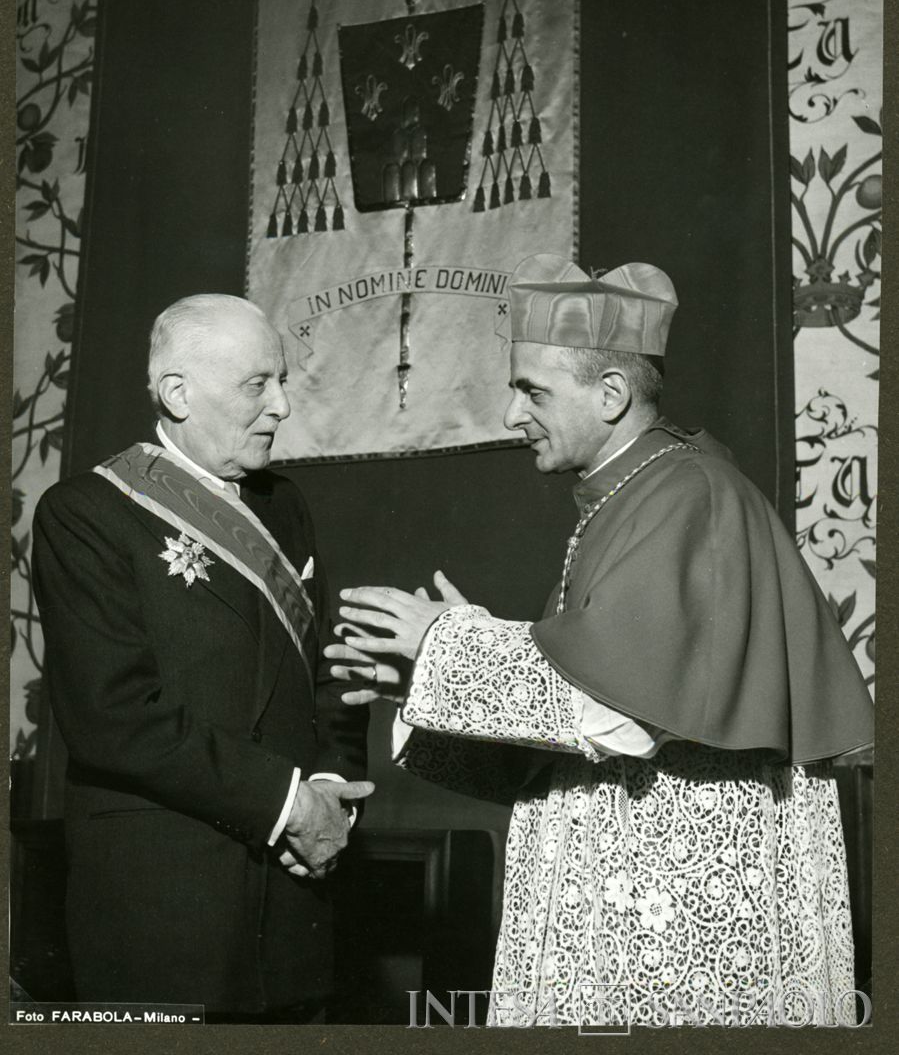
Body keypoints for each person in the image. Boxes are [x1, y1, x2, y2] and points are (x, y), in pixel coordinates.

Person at [327, 258, 874, 1028]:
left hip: (672, 914)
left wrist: (448, 645)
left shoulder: (687, 496)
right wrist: (424, 673)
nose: (512, 413)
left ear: (610, 394)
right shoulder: (630, 494)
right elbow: (584, 708)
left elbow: (620, 714)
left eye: (532, 391)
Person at [32, 294, 373, 1021]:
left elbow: (329, 669)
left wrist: (329, 786)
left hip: (294, 897)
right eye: (257, 384)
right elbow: (112, 718)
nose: (282, 405)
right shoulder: (86, 513)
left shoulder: (284, 505)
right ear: (177, 393)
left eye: (282, 381)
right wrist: (287, 804)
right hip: (164, 910)